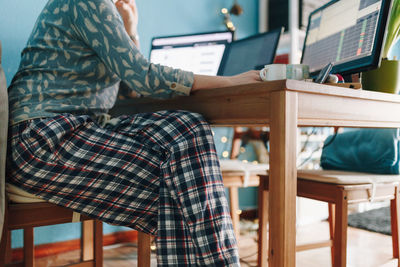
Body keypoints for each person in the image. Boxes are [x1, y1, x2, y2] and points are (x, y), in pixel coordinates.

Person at [7, 0, 261, 266]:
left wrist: (131, 30)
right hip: (41, 139)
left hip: (75, 132)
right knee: (180, 184)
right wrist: (230, 81)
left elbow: (131, 89)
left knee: (188, 129)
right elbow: (142, 78)